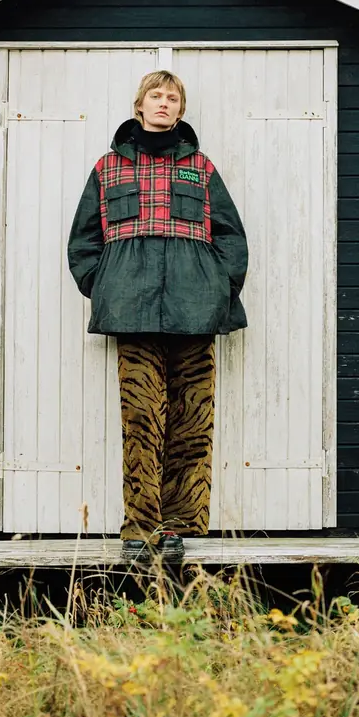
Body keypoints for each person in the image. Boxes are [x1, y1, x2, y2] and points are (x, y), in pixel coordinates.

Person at [67, 70, 248, 564]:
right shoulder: (108, 168)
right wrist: (106, 286)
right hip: (132, 313)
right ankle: (140, 529)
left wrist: (219, 290)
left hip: (197, 311)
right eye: (156, 95)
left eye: (172, 97)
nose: (164, 103)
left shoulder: (201, 168)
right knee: (141, 420)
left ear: (180, 110)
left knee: (192, 420)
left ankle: (177, 528)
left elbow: (231, 236)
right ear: (140, 105)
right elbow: (83, 242)